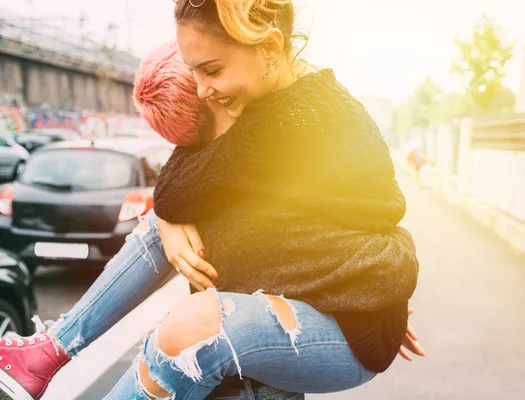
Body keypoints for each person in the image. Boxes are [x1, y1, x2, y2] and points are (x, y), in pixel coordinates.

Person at [0, 1, 424, 399]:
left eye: (212, 70)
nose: (204, 89)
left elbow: (174, 192)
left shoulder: (291, 118)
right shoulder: (296, 102)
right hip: (339, 306)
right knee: (178, 232)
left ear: (271, 48)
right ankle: (49, 351)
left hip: (347, 329)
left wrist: (379, 293)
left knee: (193, 327)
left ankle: (49, 351)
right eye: (194, 72)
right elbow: (186, 195)